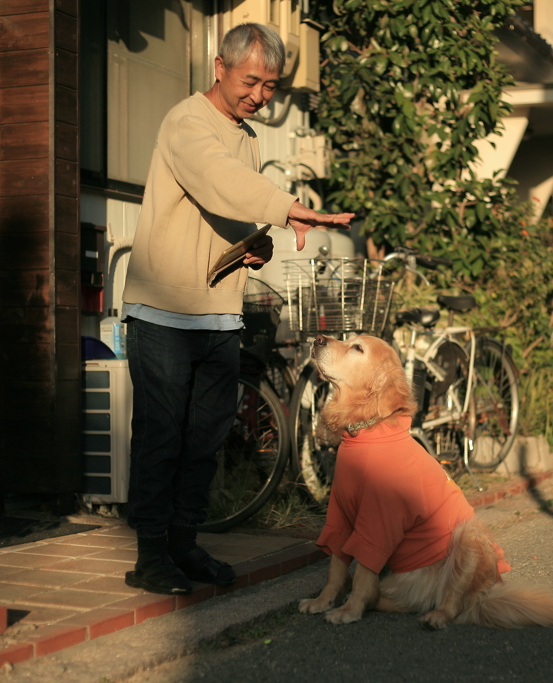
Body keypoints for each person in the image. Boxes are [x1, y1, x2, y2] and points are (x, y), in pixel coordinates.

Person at [121, 23, 354, 595]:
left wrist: (255, 241)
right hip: (164, 312)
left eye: (271, 86)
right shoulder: (186, 121)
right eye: (251, 81)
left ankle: (183, 545)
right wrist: (286, 208)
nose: (260, 95)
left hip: (219, 312)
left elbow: (225, 204)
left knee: (205, 438)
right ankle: (150, 556)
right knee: (162, 437)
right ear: (219, 67)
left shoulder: (248, 136)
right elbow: (217, 179)